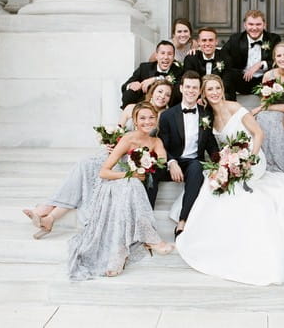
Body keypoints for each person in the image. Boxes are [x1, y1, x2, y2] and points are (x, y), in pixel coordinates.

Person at [175, 75, 284, 286]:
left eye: (217, 88)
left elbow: (258, 133)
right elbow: (214, 146)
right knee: (214, 188)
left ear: (222, 88)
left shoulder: (236, 107)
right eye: (209, 89)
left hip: (254, 157)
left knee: (238, 189)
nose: (214, 92)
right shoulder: (207, 115)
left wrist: (250, 158)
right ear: (204, 92)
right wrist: (224, 163)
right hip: (231, 158)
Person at [22, 82, 173, 239]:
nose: (163, 96)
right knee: (85, 165)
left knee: (87, 179)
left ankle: (47, 212)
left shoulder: (165, 116)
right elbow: (119, 129)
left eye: (167, 94)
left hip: (129, 159)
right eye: (160, 91)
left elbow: (159, 151)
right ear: (152, 92)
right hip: (117, 151)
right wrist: (111, 141)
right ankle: (48, 213)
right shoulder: (131, 108)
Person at [68, 102, 174, 280]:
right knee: (132, 185)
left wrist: (149, 164)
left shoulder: (156, 142)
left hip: (131, 187)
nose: (147, 121)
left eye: (151, 118)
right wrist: (130, 174)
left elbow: (161, 163)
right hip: (113, 183)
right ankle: (141, 240)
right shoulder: (128, 139)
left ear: (156, 119)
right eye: (142, 118)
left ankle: (122, 248)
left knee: (133, 187)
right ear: (134, 120)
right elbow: (104, 172)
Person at [156, 70, 219, 237]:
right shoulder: (168, 115)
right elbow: (161, 145)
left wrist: (220, 162)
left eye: (195, 88)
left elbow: (211, 144)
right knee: (150, 173)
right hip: (173, 162)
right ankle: (146, 220)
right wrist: (171, 162)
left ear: (199, 91)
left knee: (197, 167)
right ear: (182, 88)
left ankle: (182, 222)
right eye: (188, 87)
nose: (191, 91)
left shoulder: (206, 114)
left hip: (193, 164)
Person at [251, 41, 284, 178]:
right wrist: (263, 108)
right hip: (270, 112)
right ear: (274, 59)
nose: (282, 59)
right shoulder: (269, 75)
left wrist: (261, 108)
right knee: (262, 117)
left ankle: (283, 164)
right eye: (279, 55)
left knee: (271, 118)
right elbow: (264, 100)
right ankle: (265, 162)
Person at [221, 10, 281, 100]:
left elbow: (280, 60)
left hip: (265, 80)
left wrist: (261, 64)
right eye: (251, 24)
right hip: (243, 80)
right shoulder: (235, 39)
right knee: (228, 74)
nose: (254, 28)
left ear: (264, 25)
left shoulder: (273, 39)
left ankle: (270, 106)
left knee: (278, 73)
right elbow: (223, 55)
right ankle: (231, 106)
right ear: (245, 25)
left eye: (258, 24)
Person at [120, 40, 183, 109]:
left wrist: (155, 79)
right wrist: (131, 85)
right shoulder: (144, 68)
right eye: (162, 53)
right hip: (143, 106)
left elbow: (178, 94)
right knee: (129, 94)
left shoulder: (179, 71)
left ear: (173, 57)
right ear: (156, 56)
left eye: (169, 54)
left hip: (167, 108)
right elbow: (124, 86)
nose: (166, 57)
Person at [182, 27, 233, 100]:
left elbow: (226, 83)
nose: (207, 43)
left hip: (219, 96)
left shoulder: (225, 57)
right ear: (198, 42)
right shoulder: (191, 59)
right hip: (198, 96)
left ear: (216, 42)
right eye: (204, 40)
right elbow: (190, 83)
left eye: (211, 40)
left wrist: (211, 96)